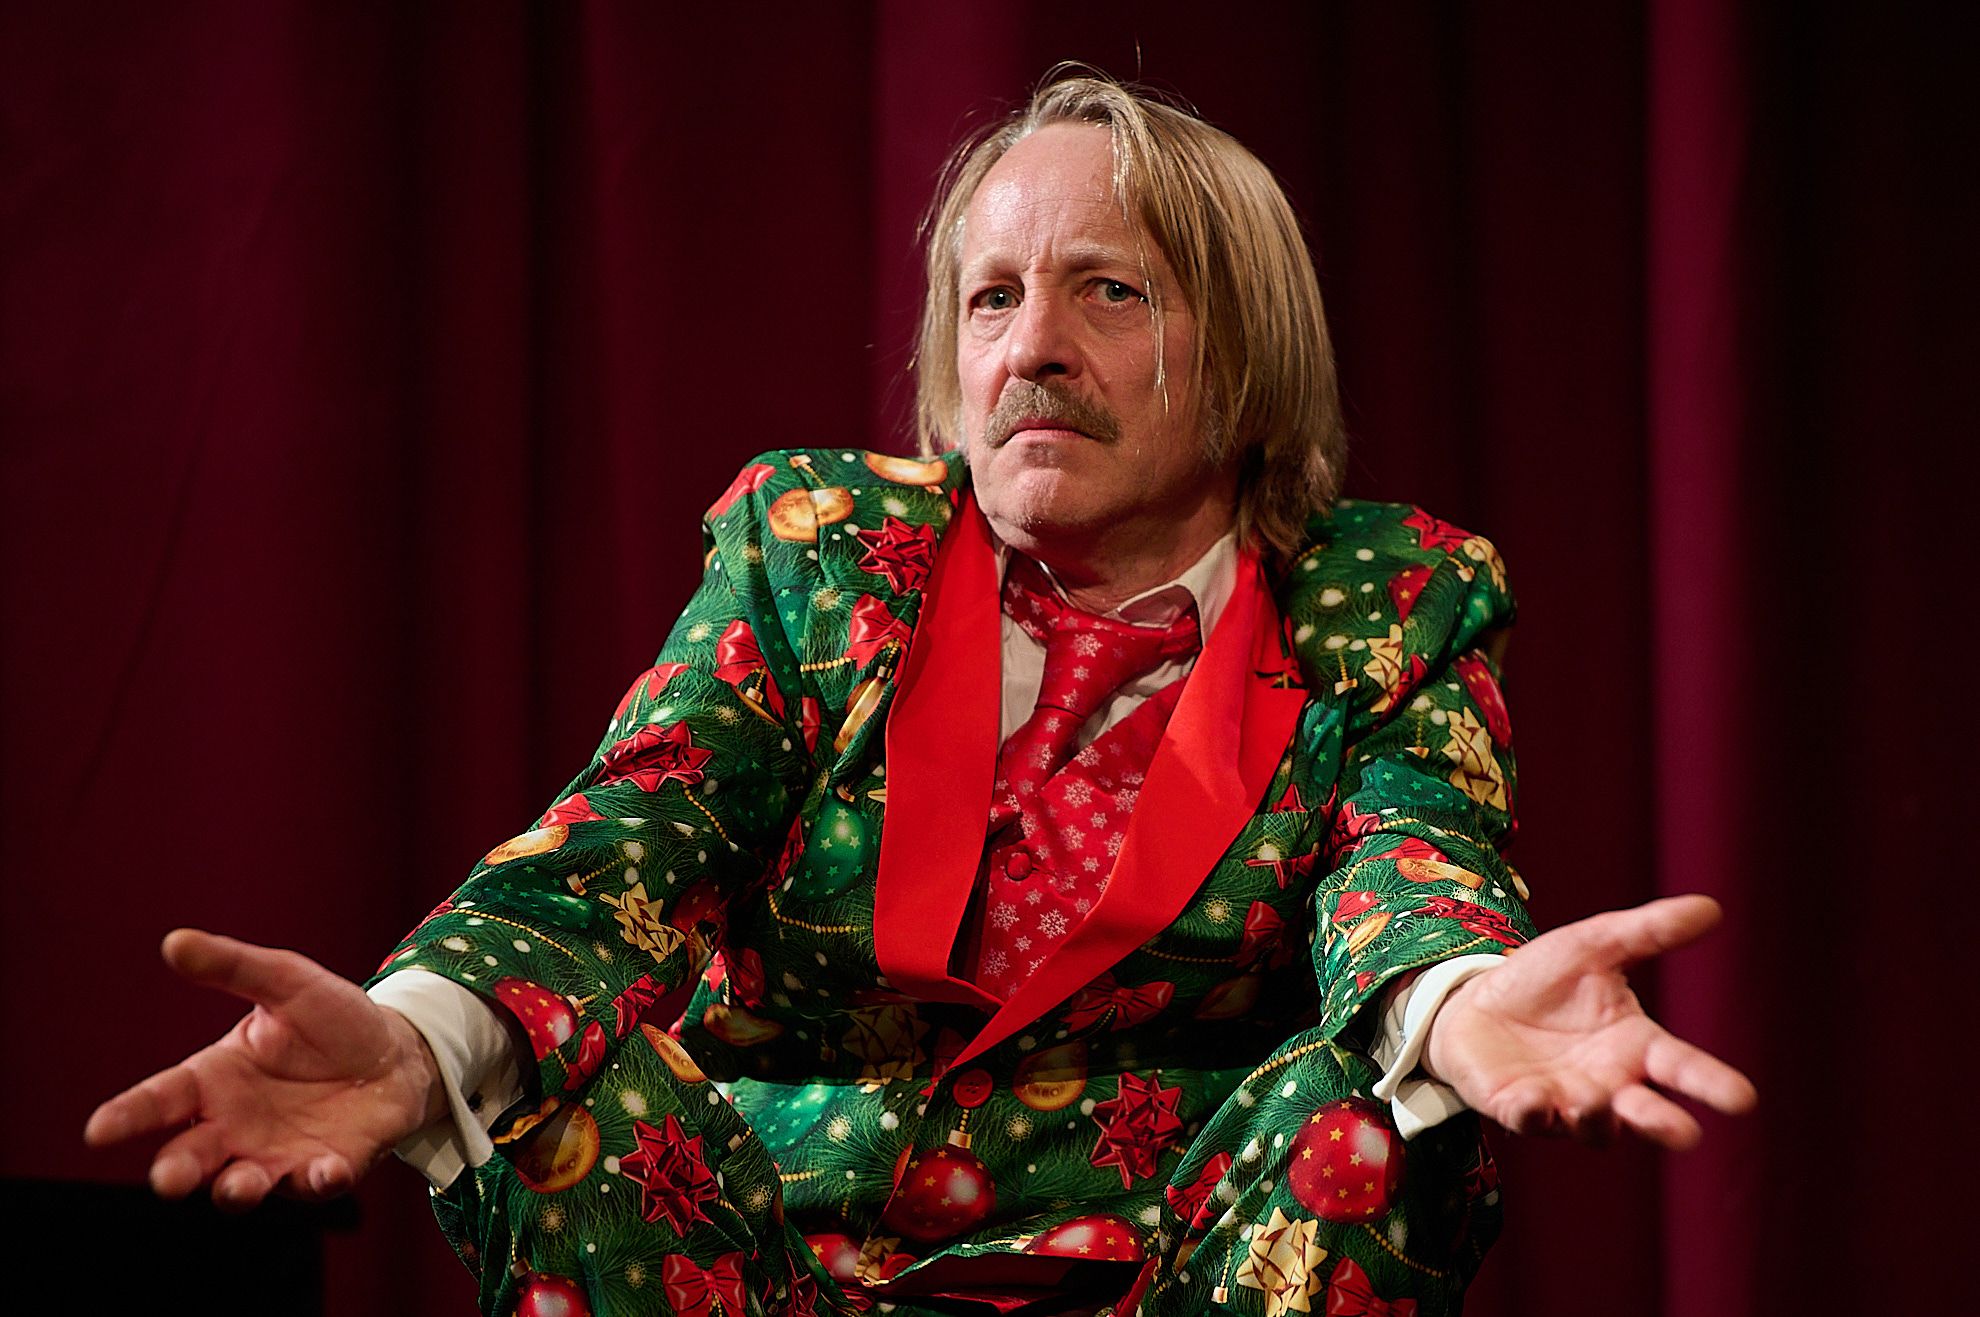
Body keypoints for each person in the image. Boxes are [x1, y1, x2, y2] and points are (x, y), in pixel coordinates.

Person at [87, 73, 1755, 1316]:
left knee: (1381, 1110)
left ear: (1249, 351)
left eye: (1109, 289)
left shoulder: (1386, 594)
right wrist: (414, 1034)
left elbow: (1410, 866)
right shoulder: (824, 551)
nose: (1033, 347)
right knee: (559, 1081)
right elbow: (619, 850)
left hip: (1162, 1267)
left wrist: (1460, 1002)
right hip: (774, 1260)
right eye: (992, 296)